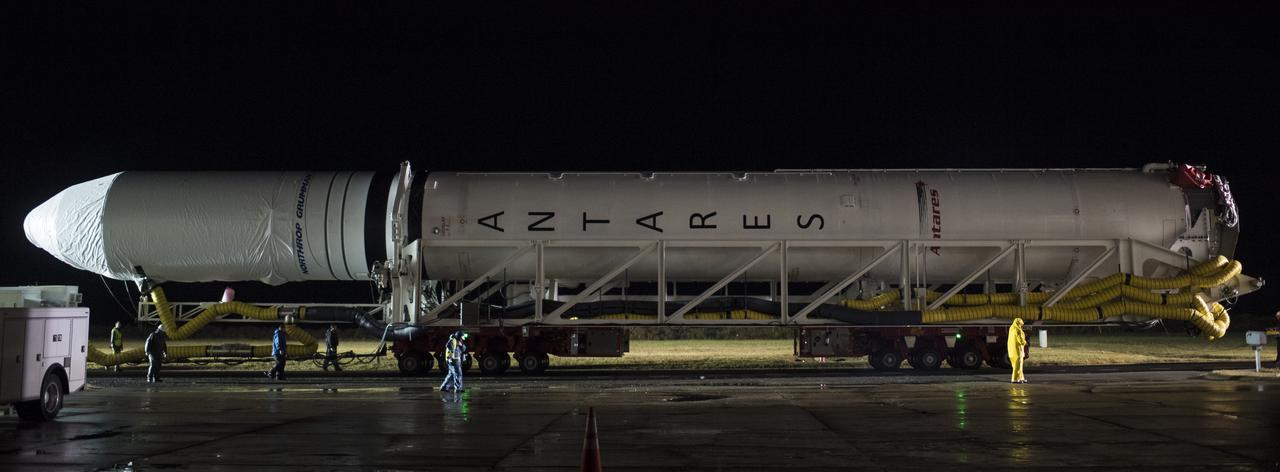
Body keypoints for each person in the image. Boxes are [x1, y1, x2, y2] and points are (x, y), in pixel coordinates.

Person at [1007, 318, 1027, 383]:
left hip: (1011, 351)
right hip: (1018, 350)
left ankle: (1021, 378)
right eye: (1021, 324)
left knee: (1015, 365)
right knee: (1018, 365)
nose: (1021, 326)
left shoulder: (1011, 328)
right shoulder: (1018, 330)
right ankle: (1015, 379)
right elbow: (1020, 341)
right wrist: (1025, 342)